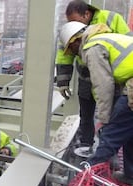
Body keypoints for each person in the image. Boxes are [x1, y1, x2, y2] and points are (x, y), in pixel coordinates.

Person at [59, 21, 133, 185]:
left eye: (71, 49)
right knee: (129, 132)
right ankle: (130, 175)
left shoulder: (92, 48)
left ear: (75, 41)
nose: (74, 54)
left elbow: (103, 86)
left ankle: (85, 178)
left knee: (110, 135)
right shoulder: (105, 39)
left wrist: (104, 120)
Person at [55, 0, 131, 148]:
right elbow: (64, 55)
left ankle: (107, 149)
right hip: (86, 77)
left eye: (76, 21)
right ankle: (86, 144)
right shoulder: (71, 30)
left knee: (112, 115)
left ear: (87, 14)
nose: (74, 26)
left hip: (110, 78)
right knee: (86, 115)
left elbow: (126, 42)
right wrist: (63, 82)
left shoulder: (111, 18)